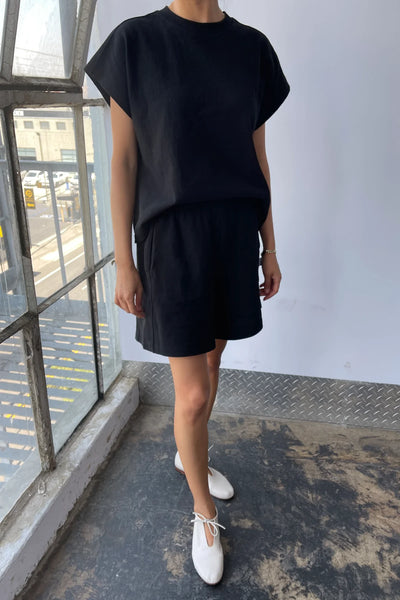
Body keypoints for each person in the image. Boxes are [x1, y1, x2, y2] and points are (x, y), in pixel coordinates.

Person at [84, 0, 290, 586]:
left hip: (232, 236)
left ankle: (187, 455)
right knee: (193, 394)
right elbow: (124, 162)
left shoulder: (251, 48)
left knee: (215, 362)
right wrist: (124, 261)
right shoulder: (135, 43)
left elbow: (258, 159)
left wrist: (269, 246)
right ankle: (204, 514)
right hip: (170, 241)